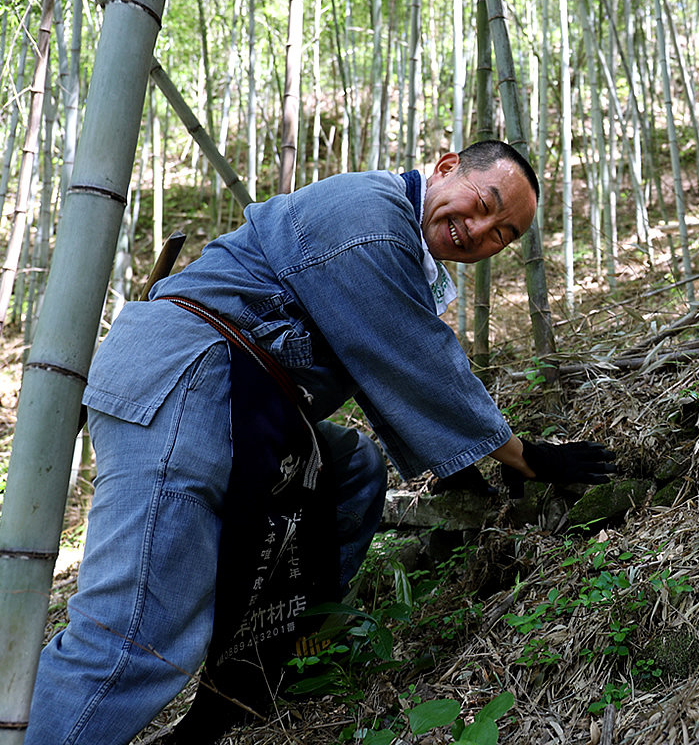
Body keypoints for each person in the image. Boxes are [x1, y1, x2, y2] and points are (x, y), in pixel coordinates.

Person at [26, 140, 614, 744]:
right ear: (444, 168)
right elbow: (414, 357)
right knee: (132, 638)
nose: (481, 230)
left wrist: (460, 458)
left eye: (503, 233)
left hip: (244, 399)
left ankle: (273, 661)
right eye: (484, 203)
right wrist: (521, 454)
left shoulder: (400, 245)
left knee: (351, 470)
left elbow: (382, 369)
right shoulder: (370, 219)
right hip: (190, 376)